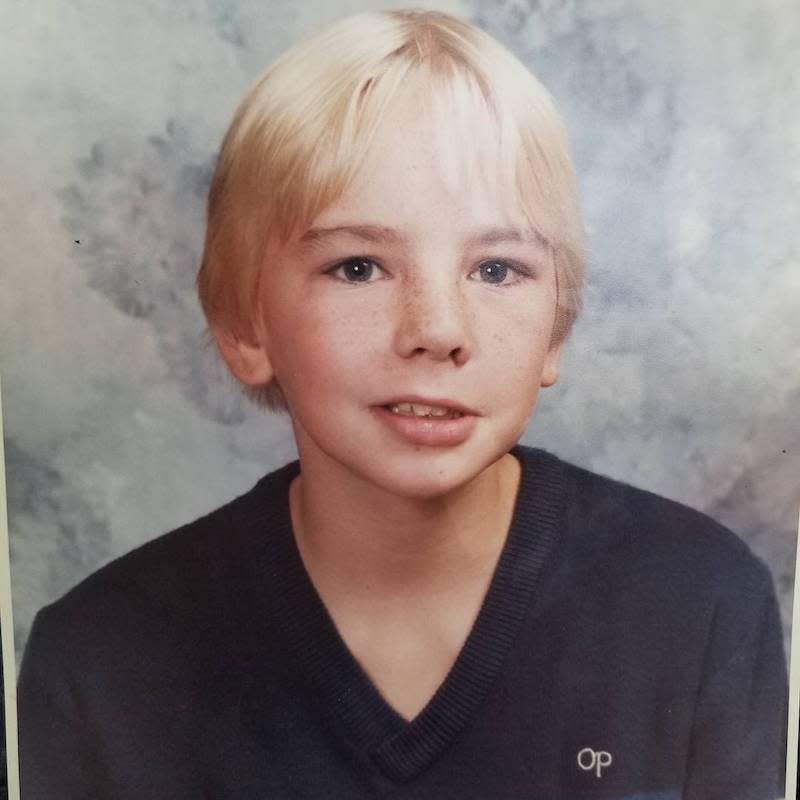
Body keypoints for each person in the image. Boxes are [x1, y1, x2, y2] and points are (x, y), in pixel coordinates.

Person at [18, 8, 787, 799]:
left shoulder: (700, 605)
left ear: (555, 330)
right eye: (358, 268)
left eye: (496, 270)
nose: (438, 330)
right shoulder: (99, 661)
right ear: (245, 326)